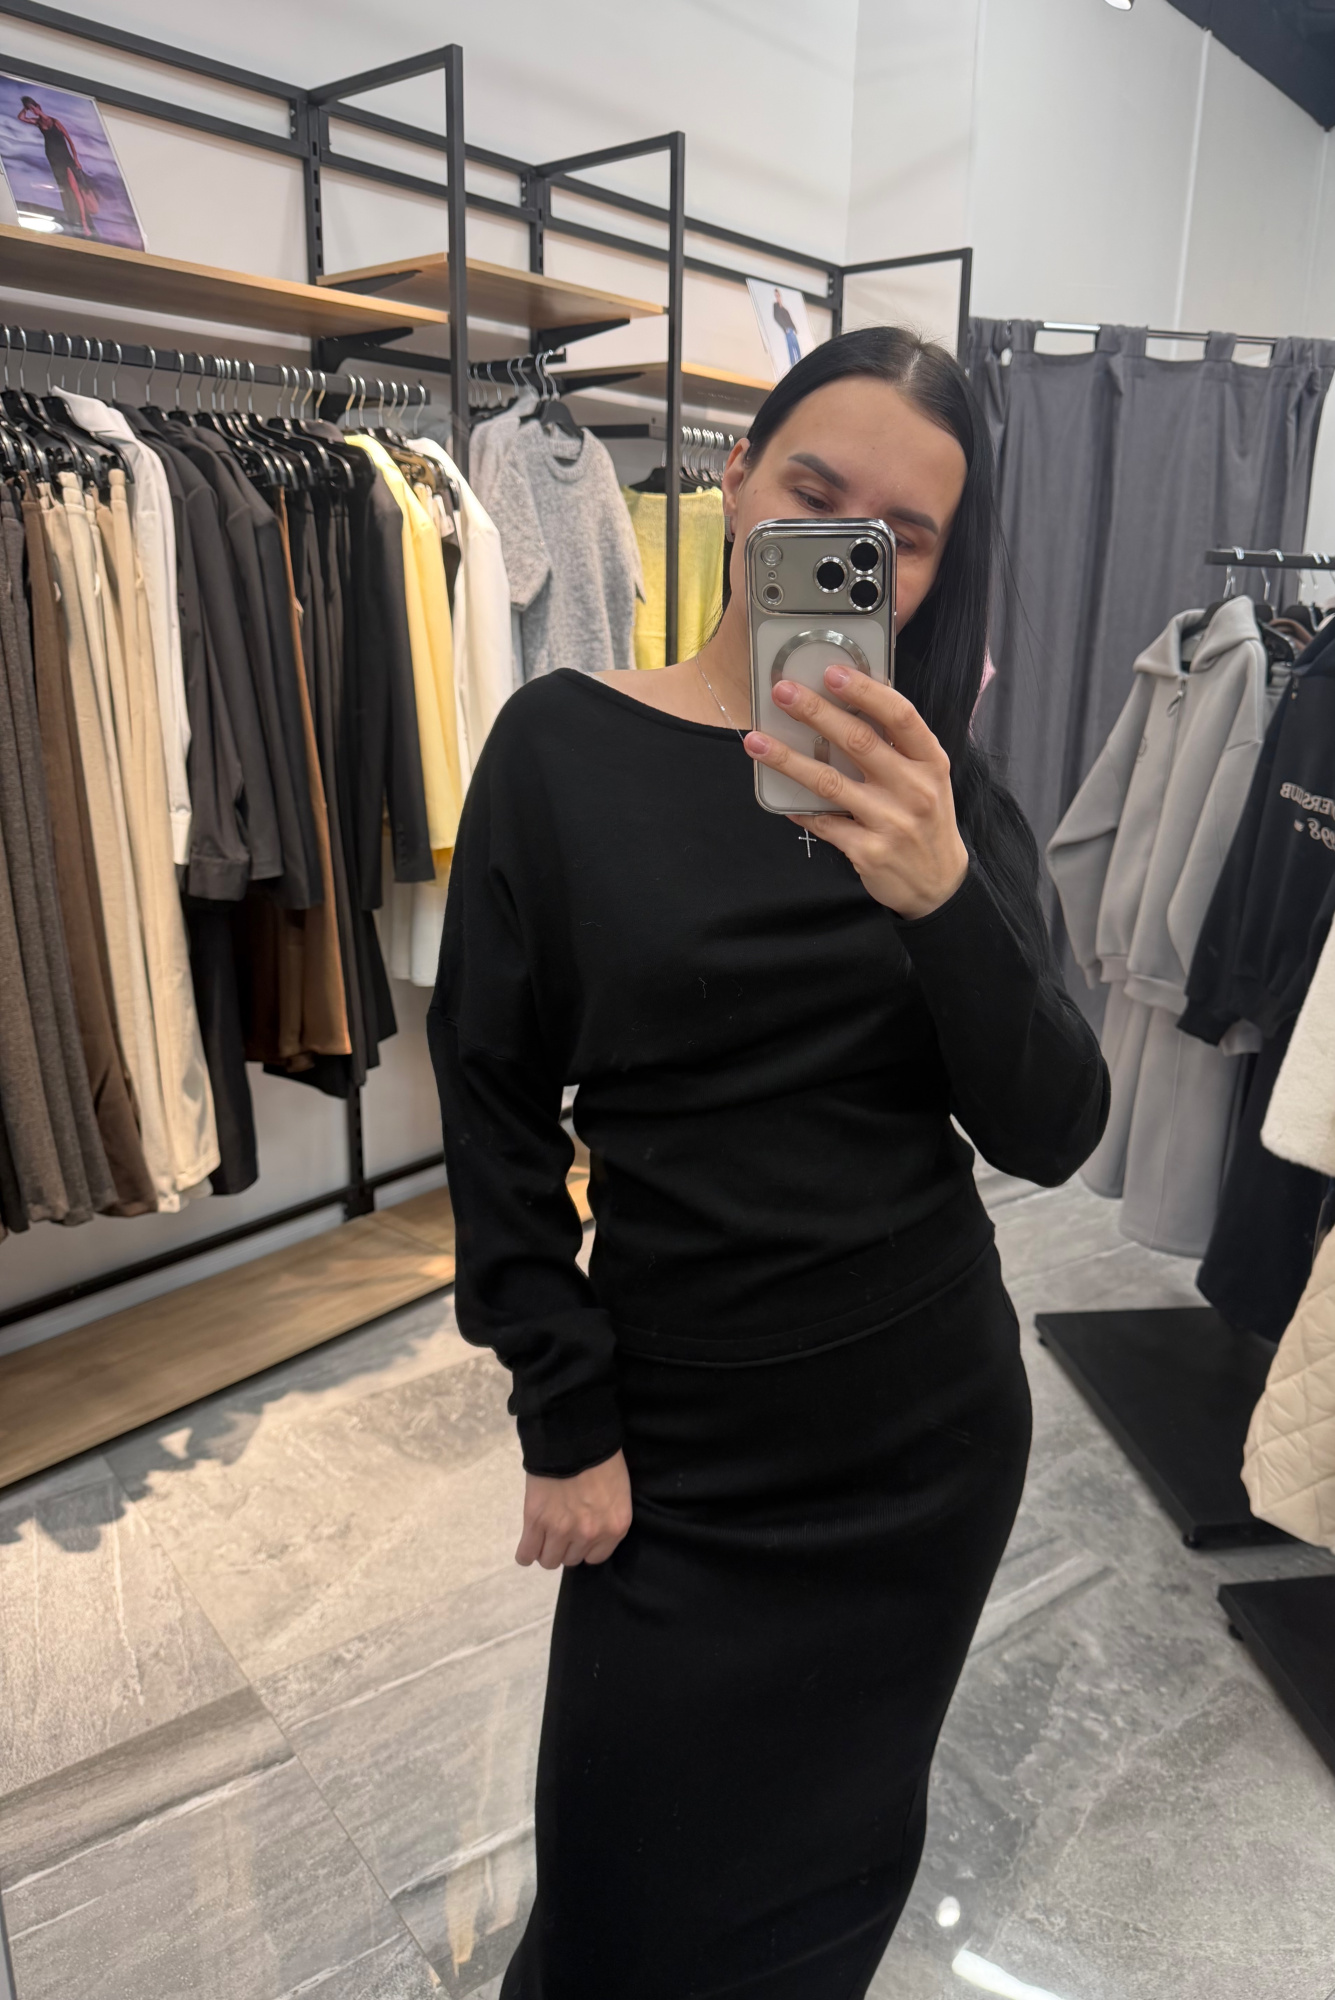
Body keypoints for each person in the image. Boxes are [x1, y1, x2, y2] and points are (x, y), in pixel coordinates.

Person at [428, 326, 1109, 1999]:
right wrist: (563, 1415)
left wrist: (940, 894)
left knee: (829, 1885)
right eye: (813, 488)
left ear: (934, 570)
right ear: (736, 481)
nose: (848, 542)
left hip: (923, 1444)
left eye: (904, 534)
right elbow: (492, 1101)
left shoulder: (939, 798)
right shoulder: (559, 751)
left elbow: (1050, 1127)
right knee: (618, 1905)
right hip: (684, 1454)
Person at [17, 94, 99, 237]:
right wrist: (25, 108)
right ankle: (74, 219)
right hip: (53, 157)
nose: (33, 111)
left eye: (34, 108)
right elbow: (21, 118)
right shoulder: (37, 122)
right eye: (31, 109)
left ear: (38, 107)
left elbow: (69, 140)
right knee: (65, 189)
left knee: (75, 189)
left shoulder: (55, 122)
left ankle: (85, 224)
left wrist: (76, 159)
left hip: (65, 157)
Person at [773, 285, 802, 368]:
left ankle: (799, 365)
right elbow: (776, 317)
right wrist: (784, 328)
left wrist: (795, 328)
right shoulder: (776, 307)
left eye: (778, 295)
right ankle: (793, 366)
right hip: (787, 330)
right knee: (791, 349)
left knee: (796, 347)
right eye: (776, 296)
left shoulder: (785, 309)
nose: (777, 298)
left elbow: (790, 320)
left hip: (791, 329)